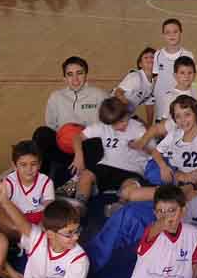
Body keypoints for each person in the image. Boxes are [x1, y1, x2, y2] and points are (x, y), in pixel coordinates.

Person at [127, 95, 197, 204]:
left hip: (191, 182)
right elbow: (156, 152)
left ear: (195, 114)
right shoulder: (175, 133)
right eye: (178, 116)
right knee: (134, 192)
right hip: (172, 175)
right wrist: (164, 167)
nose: (183, 120)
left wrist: (185, 177)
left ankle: (164, 196)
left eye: (187, 114)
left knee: (184, 193)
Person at [34, 56, 107, 189]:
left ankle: (79, 181)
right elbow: (51, 126)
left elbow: (108, 127)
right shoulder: (56, 97)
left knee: (96, 142)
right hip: (64, 149)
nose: (75, 79)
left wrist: (79, 149)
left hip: (88, 150)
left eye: (79, 73)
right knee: (41, 133)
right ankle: (40, 181)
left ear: (86, 75)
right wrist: (66, 139)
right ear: (64, 78)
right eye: (70, 74)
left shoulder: (100, 95)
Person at [71, 97, 156, 208]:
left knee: (128, 190)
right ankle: (78, 208)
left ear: (127, 114)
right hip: (106, 166)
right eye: (114, 124)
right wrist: (78, 156)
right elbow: (77, 137)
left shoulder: (138, 128)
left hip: (132, 171)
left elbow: (155, 152)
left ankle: (119, 207)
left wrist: (141, 145)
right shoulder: (103, 126)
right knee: (86, 175)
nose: (121, 126)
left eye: (123, 121)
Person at [0, 141, 54, 240]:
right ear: (14, 165)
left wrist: (38, 231)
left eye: (33, 164)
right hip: (15, 220)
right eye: (23, 165)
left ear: (39, 164)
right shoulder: (9, 182)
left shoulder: (46, 182)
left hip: (36, 222)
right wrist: (15, 228)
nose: (29, 169)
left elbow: (49, 210)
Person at [112, 47, 156, 127]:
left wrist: (149, 126)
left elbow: (149, 107)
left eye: (152, 57)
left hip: (127, 113)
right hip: (113, 110)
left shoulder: (153, 84)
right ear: (140, 64)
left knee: (144, 128)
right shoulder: (136, 76)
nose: (149, 59)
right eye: (146, 57)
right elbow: (118, 92)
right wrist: (128, 106)